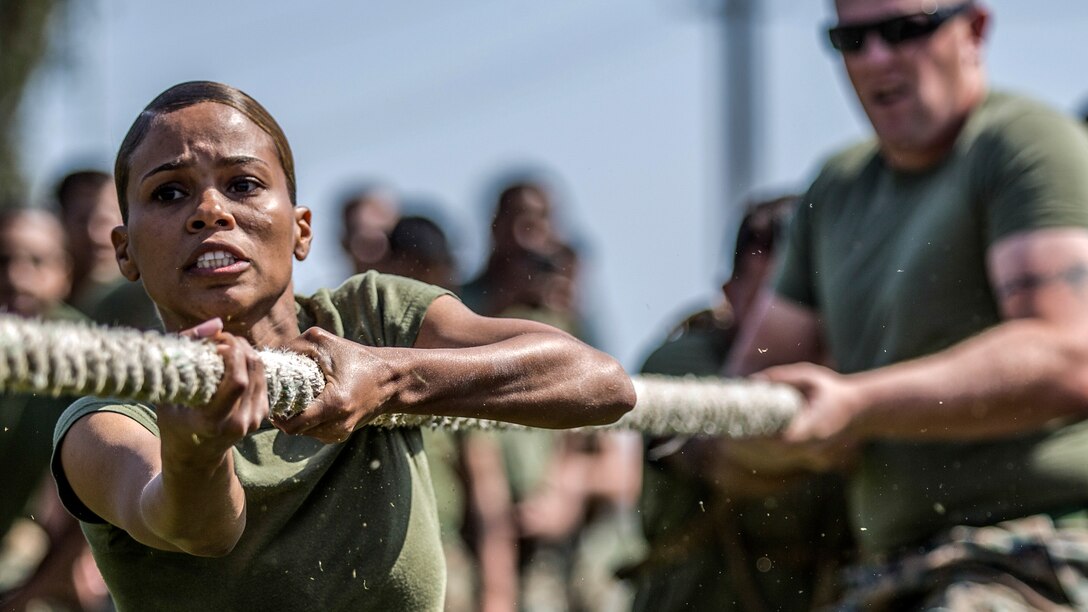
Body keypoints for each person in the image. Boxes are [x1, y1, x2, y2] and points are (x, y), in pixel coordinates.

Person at [48, 81, 635, 612]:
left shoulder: (373, 319)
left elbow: (601, 382)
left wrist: (388, 379)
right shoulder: (107, 415)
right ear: (124, 250)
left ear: (302, 229)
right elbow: (201, 530)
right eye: (170, 192)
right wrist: (194, 450)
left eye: (243, 184)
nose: (210, 212)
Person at [723, 1, 1088, 608]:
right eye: (851, 39)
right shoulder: (834, 190)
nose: (876, 59)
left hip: (1043, 553)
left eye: (904, 30)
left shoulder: (1026, 144)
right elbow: (750, 386)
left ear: (974, 29)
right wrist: (771, 439)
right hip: (893, 574)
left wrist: (858, 405)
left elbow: (1068, 355)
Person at [629, 196, 854, 611]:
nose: (790, 314)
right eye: (777, 296)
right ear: (730, 294)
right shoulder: (682, 363)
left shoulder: (856, 365)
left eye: (805, 295)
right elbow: (722, 462)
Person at [0, 206, 108, 612]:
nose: (17, 278)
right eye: (3, 260)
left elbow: (92, 509)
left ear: (64, 272)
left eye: (36, 261)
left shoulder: (92, 359)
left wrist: (27, 594)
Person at [55, 169, 160, 331]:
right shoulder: (40, 299)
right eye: (81, 221)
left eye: (104, 221)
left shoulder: (153, 298)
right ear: (59, 223)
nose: (94, 235)